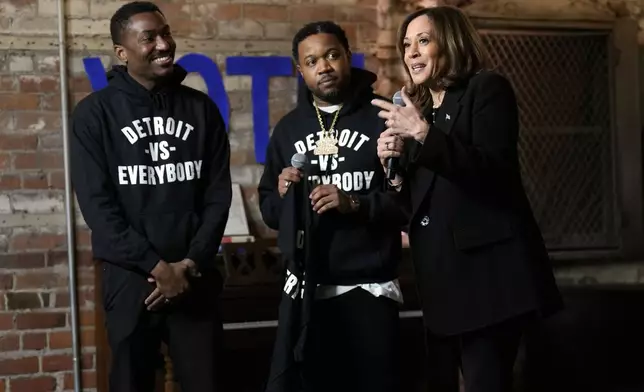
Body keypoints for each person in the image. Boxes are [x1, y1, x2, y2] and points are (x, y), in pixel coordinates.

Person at [372, 6, 563, 392]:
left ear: (452, 42)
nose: (411, 53)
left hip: (488, 283)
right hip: (442, 286)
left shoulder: (487, 89)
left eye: (423, 41)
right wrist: (391, 167)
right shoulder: (421, 111)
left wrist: (423, 136)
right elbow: (419, 207)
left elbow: (493, 173)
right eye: (406, 44)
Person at [69, 2, 232, 391]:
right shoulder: (94, 115)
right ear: (122, 52)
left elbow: (217, 196)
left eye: (166, 33)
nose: (164, 44)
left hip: (194, 276)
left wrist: (189, 263)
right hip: (131, 281)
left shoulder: (201, 109)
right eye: (149, 38)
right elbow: (98, 208)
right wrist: (158, 268)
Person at [258, 21, 408, 392]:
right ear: (301, 71)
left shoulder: (382, 119)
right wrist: (283, 196)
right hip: (310, 294)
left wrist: (352, 202)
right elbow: (270, 212)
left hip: (369, 287)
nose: (323, 66)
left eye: (331, 55)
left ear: (347, 57)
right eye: (311, 61)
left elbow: (406, 206)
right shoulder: (289, 129)